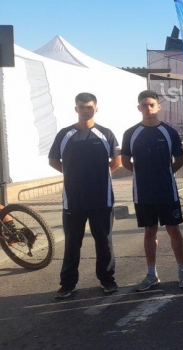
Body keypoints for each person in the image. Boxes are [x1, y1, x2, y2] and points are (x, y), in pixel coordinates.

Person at [49, 92, 121, 299]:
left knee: (104, 241)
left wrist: (101, 174)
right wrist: (70, 172)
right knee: (72, 242)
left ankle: (107, 280)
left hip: (101, 198)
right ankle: (68, 284)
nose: (85, 110)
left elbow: (116, 161)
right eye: (81, 107)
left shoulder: (105, 133)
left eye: (89, 107)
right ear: (76, 109)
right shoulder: (65, 134)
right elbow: (53, 160)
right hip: (74, 199)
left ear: (96, 108)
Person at [121, 90, 183, 291]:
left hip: (167, 192)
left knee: (173, 230)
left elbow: (180, 159)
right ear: (139, 108)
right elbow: (125, 161)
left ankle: (182, 271)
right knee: (149, 231)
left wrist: (165, 173)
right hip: (143, 193)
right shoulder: (131, 133)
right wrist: (143, 174)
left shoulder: (169, 132)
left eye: (152, 104)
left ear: (159, 107)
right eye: (144, 105)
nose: (148, 108)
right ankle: (151, 274)